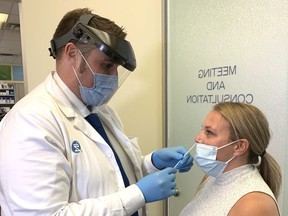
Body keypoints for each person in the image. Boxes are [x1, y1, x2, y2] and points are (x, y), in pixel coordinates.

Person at [0, 8, 193, 216]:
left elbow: (111, 176)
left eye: (116, 68)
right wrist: (138, 195)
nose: (114, 78)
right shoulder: (30, 122)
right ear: (72, 54)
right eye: (107, 65)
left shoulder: (100, 112)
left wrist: (150, 163)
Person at [180, 102, 282, 216]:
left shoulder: (253, 204)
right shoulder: (211, 177)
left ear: (239, 146)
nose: (197, 138)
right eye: (202, 129)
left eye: (209, 132)